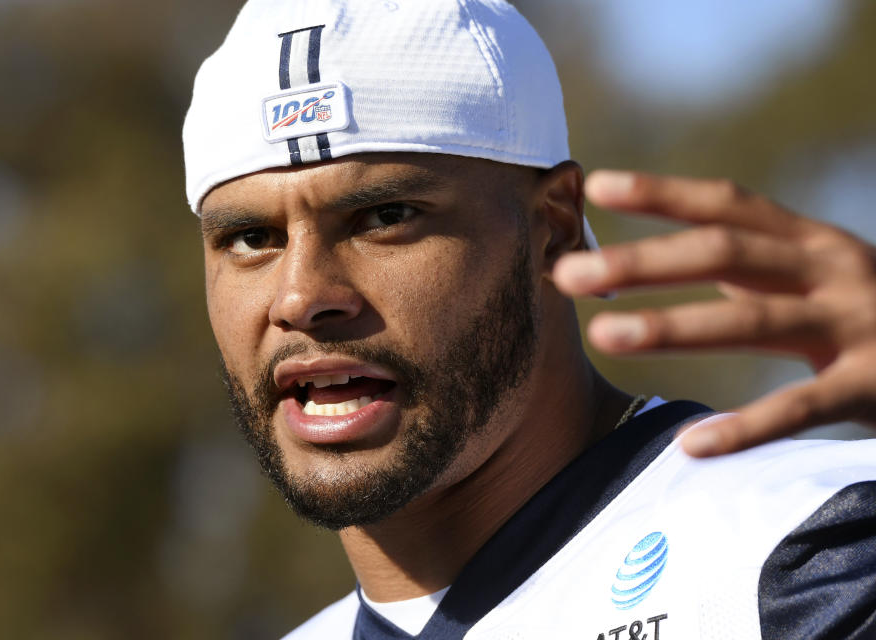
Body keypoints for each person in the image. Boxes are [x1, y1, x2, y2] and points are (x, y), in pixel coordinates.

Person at [182, 1, 876, 637]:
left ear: (554, 229)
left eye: (386, 217)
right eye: (250, 238)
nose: (302, 296)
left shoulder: (796, 555)